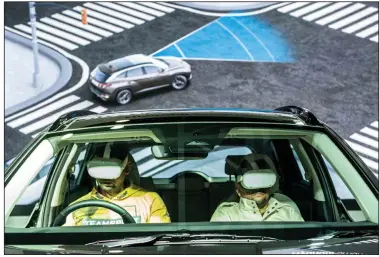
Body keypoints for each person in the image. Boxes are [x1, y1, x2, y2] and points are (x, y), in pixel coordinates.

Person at [63, 143, 171, 226]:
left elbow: (159, 241)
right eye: (100, 172)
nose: (106, 178)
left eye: (112, 173)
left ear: (127, 169)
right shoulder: (77, 207)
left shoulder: (150, 200)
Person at [210, 161, 304, 222]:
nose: (258, 188)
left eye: (263, 181)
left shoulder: (288, 211)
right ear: (238, 190)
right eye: (252, 182)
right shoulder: (227, 214)